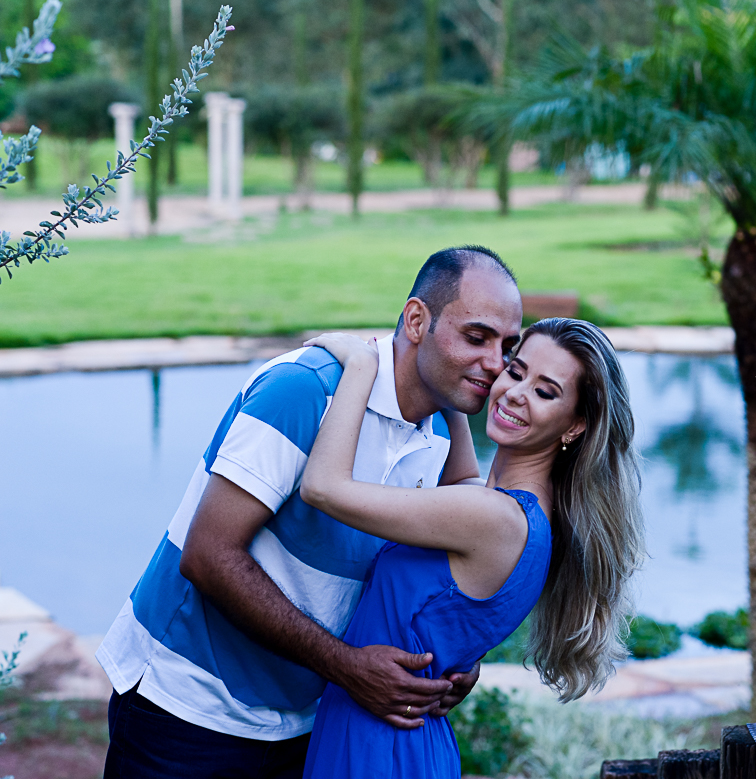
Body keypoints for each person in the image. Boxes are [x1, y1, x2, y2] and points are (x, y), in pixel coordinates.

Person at [98, 246, 524, 778]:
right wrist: (346, 667)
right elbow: (207, 556)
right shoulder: (306, 390)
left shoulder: (439, 430)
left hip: (302, 721)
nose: (496, 364)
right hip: (187, 707)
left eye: (508, 346)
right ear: (417, 320)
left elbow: (435, 570)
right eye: (476, 337)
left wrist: (455, 657)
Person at [296, 317, 645, 778]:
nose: (516, 393)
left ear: (575, 426)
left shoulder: (490, 518)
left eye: (545, 392)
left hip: (378, 748)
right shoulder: (527, 517)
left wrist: (362, 365)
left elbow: (322, 487)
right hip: (401, 737)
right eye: (515, 371)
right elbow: (463, 484)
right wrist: (454, 386)